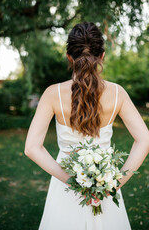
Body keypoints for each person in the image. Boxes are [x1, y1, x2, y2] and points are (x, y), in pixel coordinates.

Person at [24, 22, 149, 230]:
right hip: (104, 187)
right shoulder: (118, 93)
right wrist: (114, 184)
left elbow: (31, 148)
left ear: (69, 57)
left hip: (65, 188)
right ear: (103, 56)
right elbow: (145, 139)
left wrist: (71, 180)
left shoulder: (52, 94)